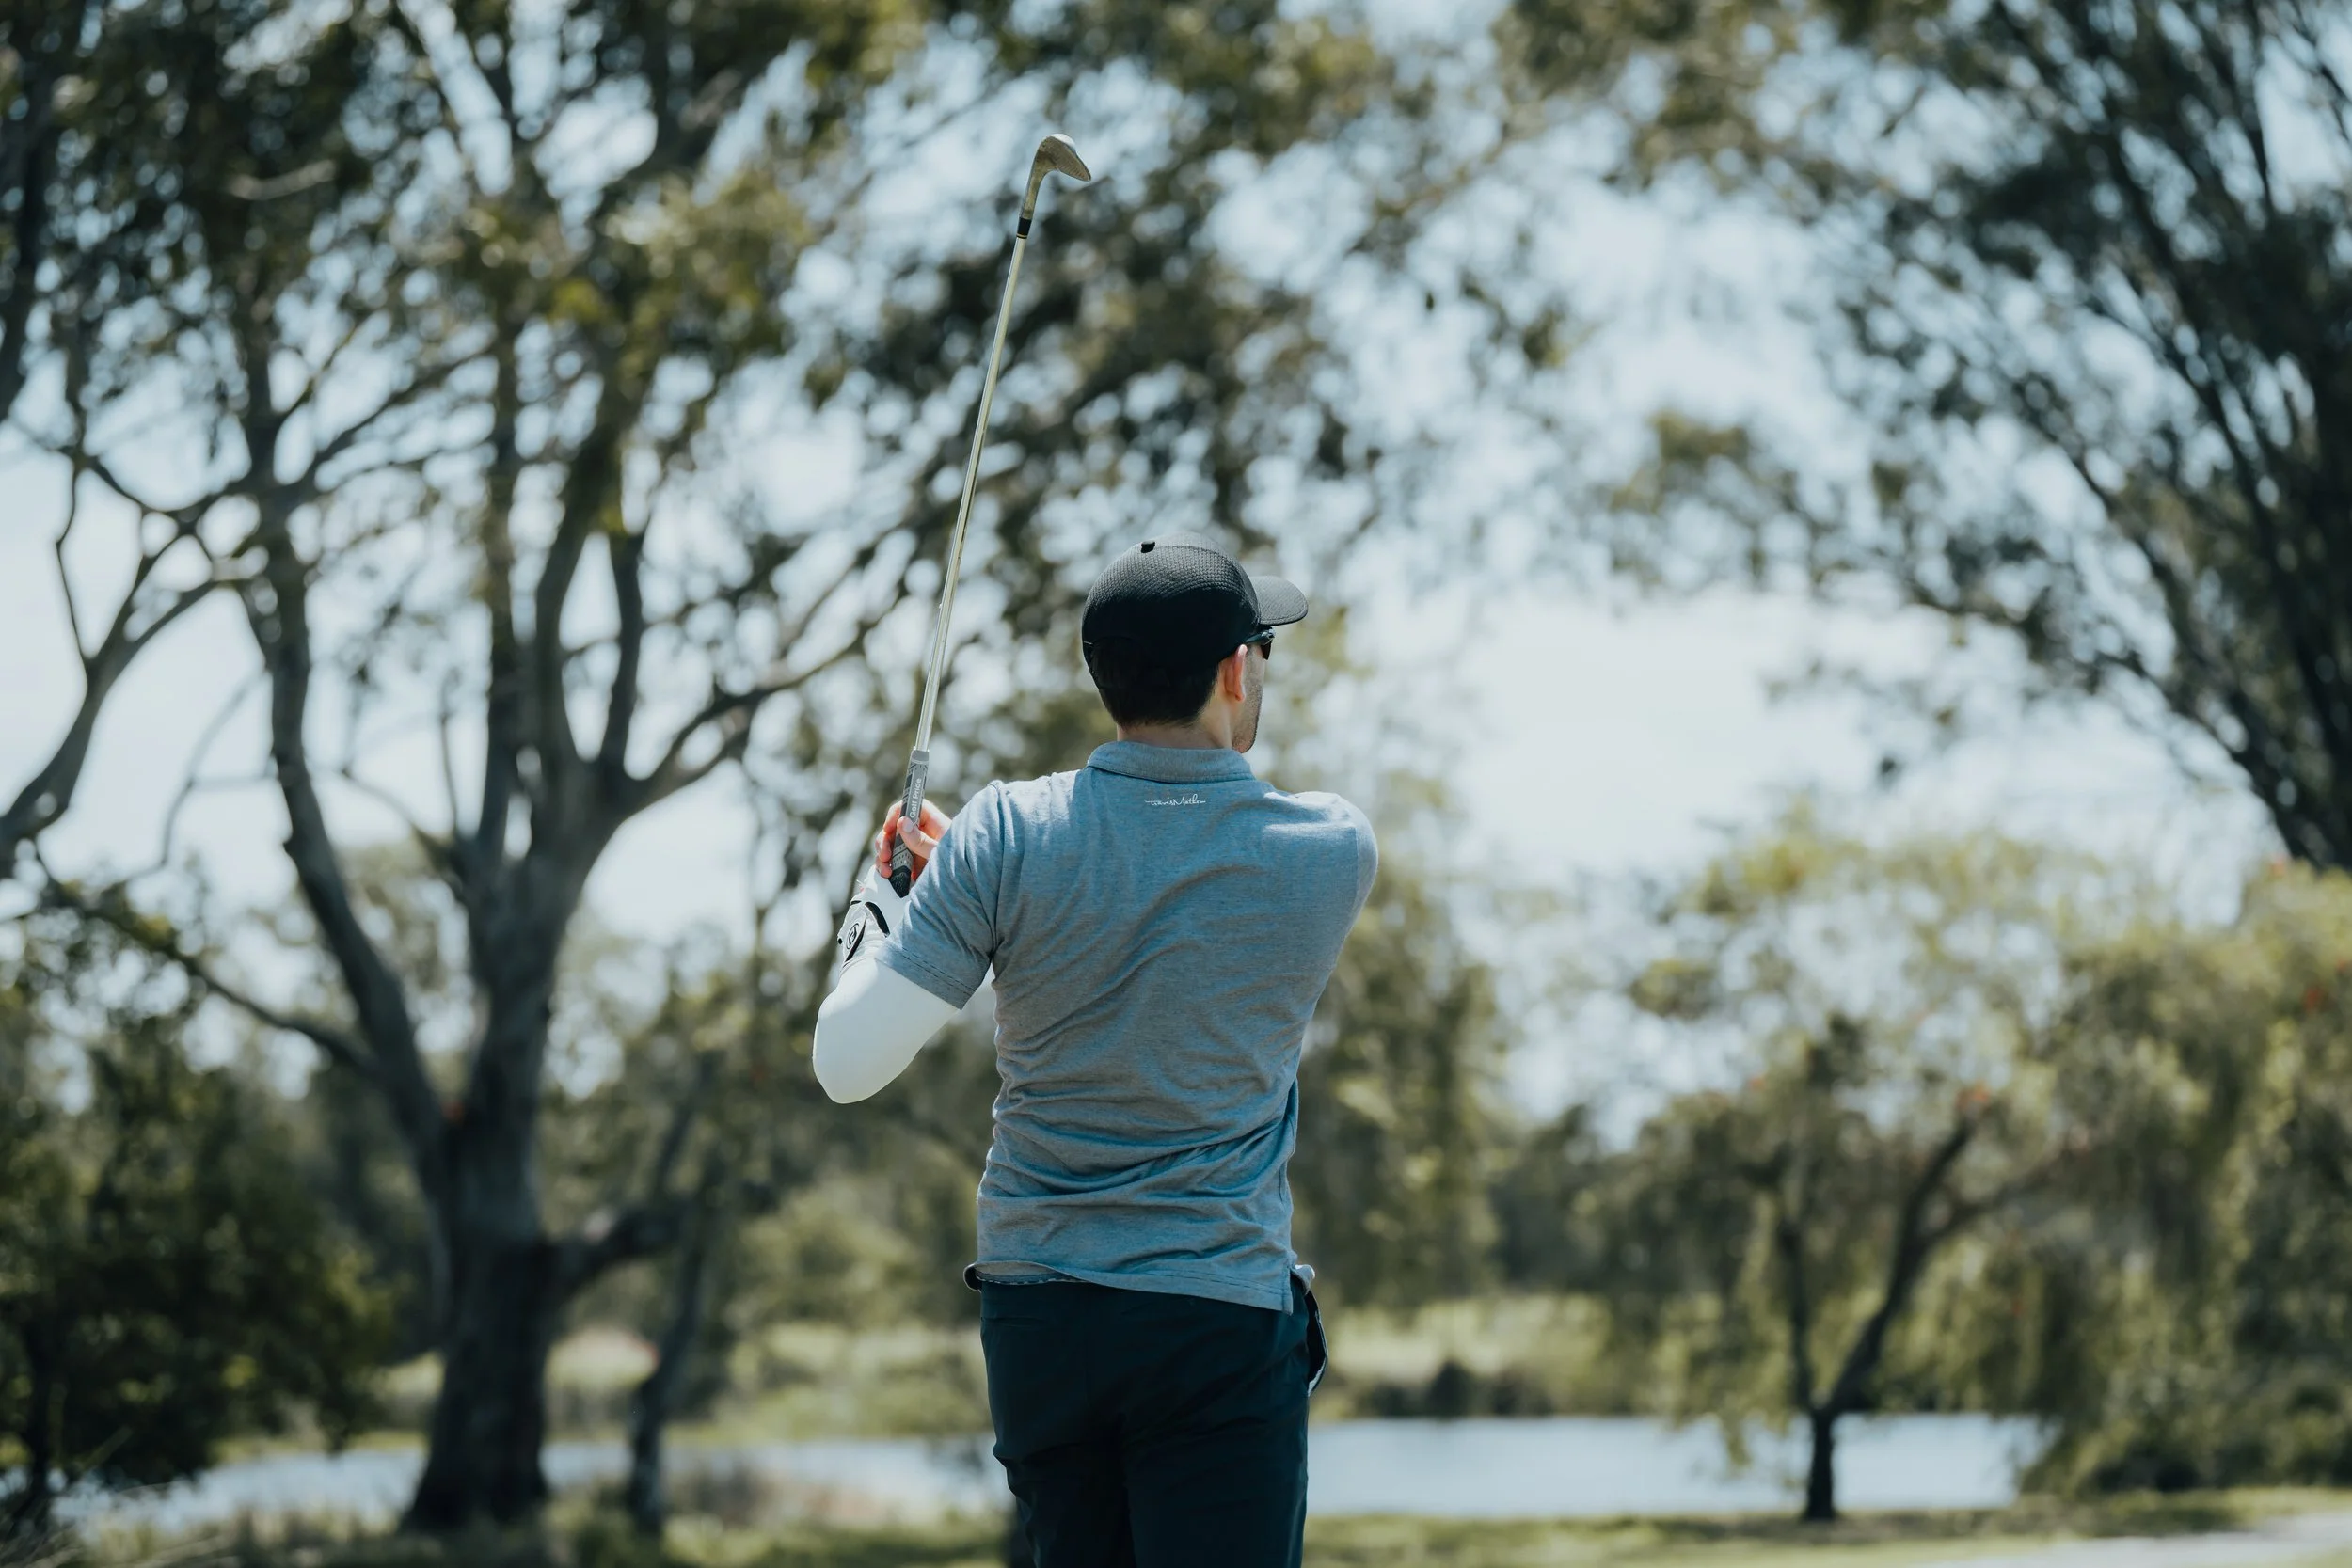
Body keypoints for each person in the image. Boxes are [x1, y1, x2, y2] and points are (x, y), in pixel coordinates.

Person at [811, 533, 1377, 1568]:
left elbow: (846, 1061)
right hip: (1212, 1319)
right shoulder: (1329, 846)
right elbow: (1161, 904)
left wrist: (896, 903)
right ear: (1234, 671)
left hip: (1044, 1325)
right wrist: (980, 891)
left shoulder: (1001, 835)